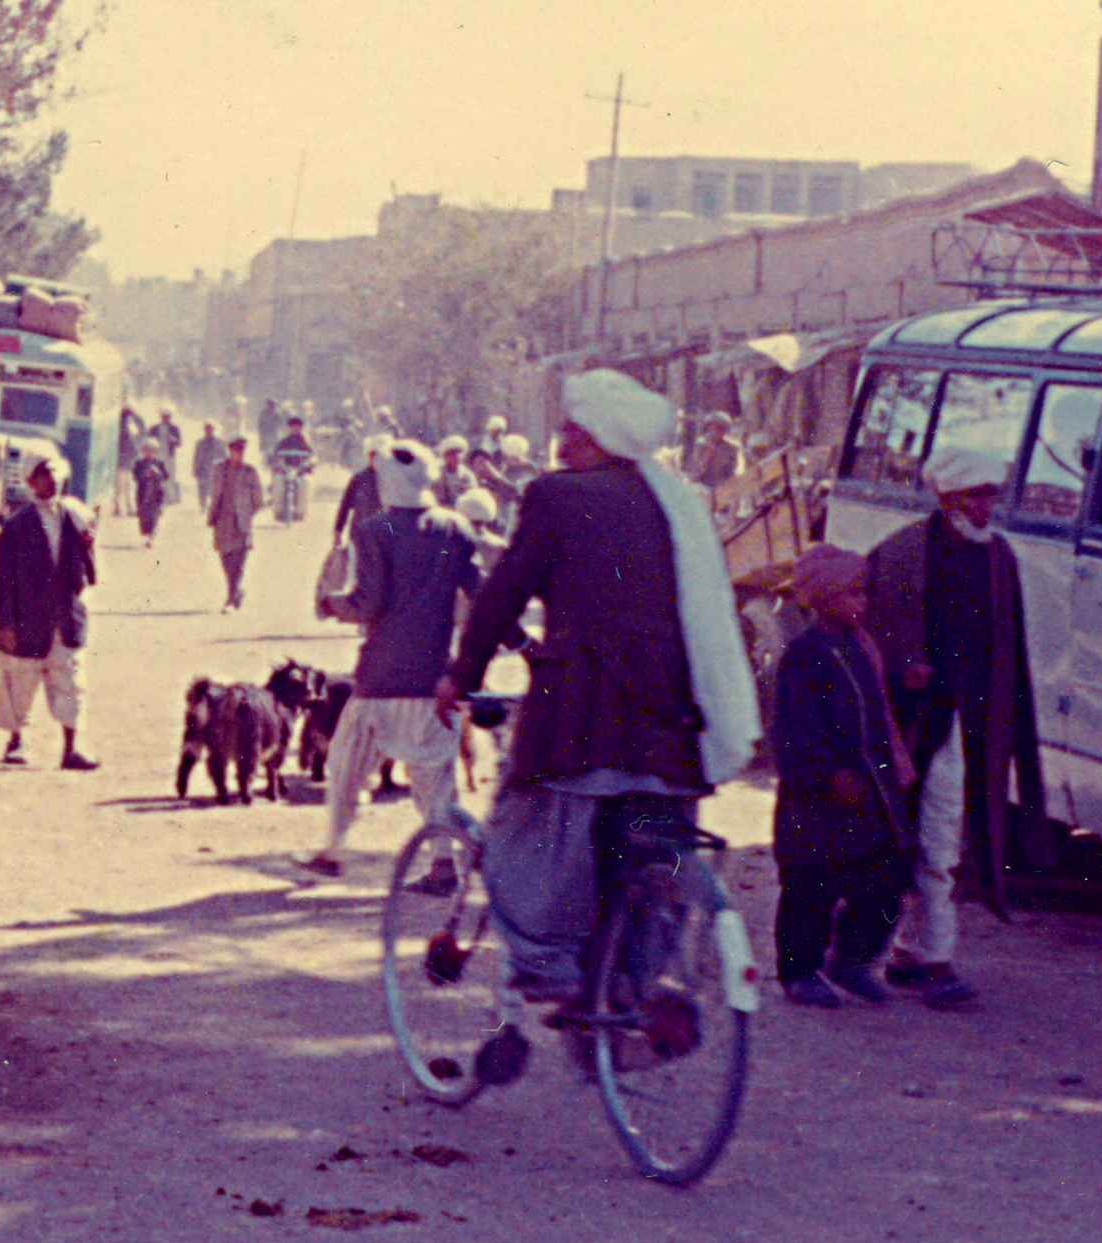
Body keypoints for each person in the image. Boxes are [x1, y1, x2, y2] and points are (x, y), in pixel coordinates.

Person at [436, 369, 757, 1085]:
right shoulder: (677, 504)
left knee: (526, 838)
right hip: (674, 727)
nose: (561, 443)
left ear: (593, 439)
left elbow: (501, 593)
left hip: (582, 720)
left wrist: (461, 672)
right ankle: (643, 981)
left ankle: (549, 967)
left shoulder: (556, 495)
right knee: (661, 859)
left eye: (571, 431)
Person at [864, 445, 1051, 1011]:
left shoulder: (1000, 558)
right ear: (948, 498)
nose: (987, 506)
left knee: (944, 839)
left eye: (992, 495)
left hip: (970, 726)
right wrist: (906, 667)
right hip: (914, 724)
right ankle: (883, 951)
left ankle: (927, 954)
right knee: (889, 838)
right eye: (977, 495)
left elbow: (1008, 646)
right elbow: (869, 630)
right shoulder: (901, 553)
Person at [301, 441, 481, 886]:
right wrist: (521, 641)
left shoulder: (374, 530)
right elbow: (483, 593)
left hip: (381, 677)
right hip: (435, 677)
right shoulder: (456, 528)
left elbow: (368, 603)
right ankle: (444, 864)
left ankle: (332, 850)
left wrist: (329, 602)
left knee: (346, 766)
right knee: (436, 776)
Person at [772, 544, 916, 1007]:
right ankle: (800, 971)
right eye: (852, 594)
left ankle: (851, 960)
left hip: (869, 789)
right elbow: (794, 729)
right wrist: (828, 775)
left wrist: (906, 681)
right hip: (817, 801)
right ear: (823, 597)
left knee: (886, 878)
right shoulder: (805, 653)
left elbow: (874, 707)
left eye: (863, 593)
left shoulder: (861, 646)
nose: (862, 603)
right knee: (810, 886)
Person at [0, 447, 98, 770]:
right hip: (28, 619)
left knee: (70, 683)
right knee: (19, 683)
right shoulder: (16, 526)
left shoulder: (73, 518)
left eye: (53, 473)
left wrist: (88, 545)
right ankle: (15, 742)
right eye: (42, 475)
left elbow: (88, 575)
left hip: (64, 618)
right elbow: (2, 581)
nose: (50, 480)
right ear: (30, 482)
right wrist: (5, 624)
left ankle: (71, 750)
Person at [206, 435, 263, 611]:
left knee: (239, 561)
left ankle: (231, 597)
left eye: (241, 451)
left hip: (242, 523)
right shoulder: (219, 469)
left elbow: (258, 499)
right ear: (229, 452)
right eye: (235, 451)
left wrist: (247, 514)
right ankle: (236, 591)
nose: (238, 454)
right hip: (222, 521)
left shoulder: (250, 472)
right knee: (225, 558)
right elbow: (214, 493)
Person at [334, 433, 390, 542]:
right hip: (361, 536)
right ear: (368, 456)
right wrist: (338, 531)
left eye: (381, 455)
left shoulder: (395, 480)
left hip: (386, 537)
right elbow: (345, 505)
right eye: (373, 455)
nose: (377, 459)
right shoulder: (359, 479)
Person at [684, 411, 743, 494]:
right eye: (713, 427)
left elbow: (735, 473)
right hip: (702, 487)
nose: (715, 431)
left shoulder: (732, 449)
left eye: (719, 428)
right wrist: (708, 452)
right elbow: (694, 474)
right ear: (708, 428)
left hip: (721, 487)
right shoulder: (701, 445)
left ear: (725, 430)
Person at [269, 415, 315, 521]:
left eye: (298, 426)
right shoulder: (283, 442)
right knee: (277, 481)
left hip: (301, 471)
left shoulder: (306, 442)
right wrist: (276, 464)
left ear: (301, 427)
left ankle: (300, 512)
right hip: (285, 471)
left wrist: (311, 462)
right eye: (293, 426)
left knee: (306, 482)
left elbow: (313, 455)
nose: (295, 428)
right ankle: (278, 511)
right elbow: (275, 455)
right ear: (289, 427)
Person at [133, 437, 169, 547]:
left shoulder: (159, 462)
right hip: (143, 494)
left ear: (155, 451)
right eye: (146, 450)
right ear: (142, 450)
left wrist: (157, 473)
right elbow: (135, 476)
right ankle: (147, 533)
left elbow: (166, 476)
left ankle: (151, 538)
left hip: (156, 494)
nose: (148, 452)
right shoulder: (139, 463)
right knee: (143, 517)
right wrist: (145, 474)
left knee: (154, 516)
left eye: (151, 450)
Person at [432, 435, 475, 508]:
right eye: (452, 453)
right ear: (444, 456)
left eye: (459, 453)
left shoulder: (466, 475)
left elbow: (472, 497)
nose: (456, 456)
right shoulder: (436, 473)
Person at [191, 422, 227, 508]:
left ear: (213, 430)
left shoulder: (219, 442)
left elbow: (224, 456)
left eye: (210, 429)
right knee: (202, 488)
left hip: (215, 468)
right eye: (207, 429)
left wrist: (225, 469)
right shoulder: (200, 443)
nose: (208, 431)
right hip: (203, 469)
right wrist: (195, 469)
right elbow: (196, 457)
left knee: (215, 488)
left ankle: (215, 506)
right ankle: (203, 504)